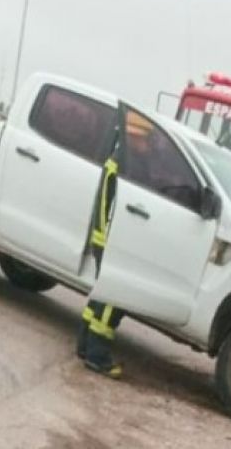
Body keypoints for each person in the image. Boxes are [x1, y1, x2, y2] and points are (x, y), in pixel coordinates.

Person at [76, 112, 155, 378]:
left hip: (108, 238)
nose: (148, 147)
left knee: (101, 293)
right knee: (114, 298)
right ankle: (98, 356)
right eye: (145, 141)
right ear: (134, 138)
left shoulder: (121, 159)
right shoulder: (125, 165)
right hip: (113, 240)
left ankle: (85, 345)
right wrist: (109, 240)